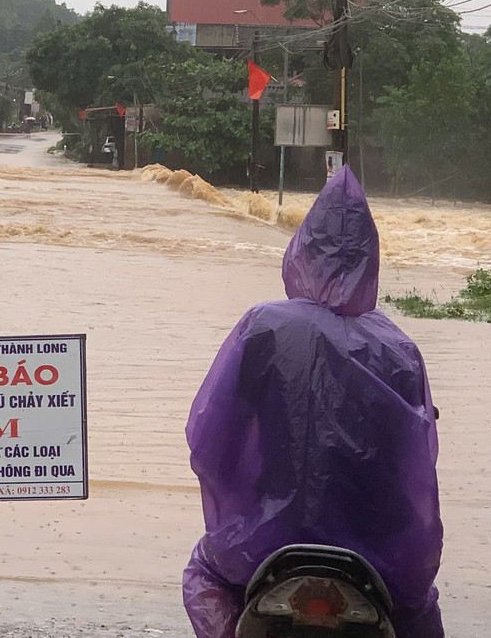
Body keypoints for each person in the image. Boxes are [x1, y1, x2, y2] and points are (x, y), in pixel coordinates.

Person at [183, 167, 444, 638]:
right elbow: (418, 462)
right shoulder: (399, 347)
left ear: (300, 252)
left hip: (262, 543)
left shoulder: (263, 326)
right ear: (371, 260)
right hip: (379, 553)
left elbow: (208, 439)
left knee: (203, 573)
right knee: (418, 608)